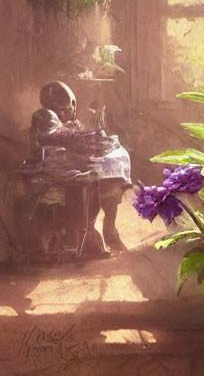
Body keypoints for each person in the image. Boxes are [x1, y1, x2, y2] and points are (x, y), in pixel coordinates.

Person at [25, 81, 131, 256]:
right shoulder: (45, 115)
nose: (68, 113)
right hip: (50, 167)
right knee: (95, 179)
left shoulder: (60, 120)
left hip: (58, 165)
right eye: (65, 109)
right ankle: (92, 234)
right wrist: (86, 137)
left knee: (103, 179)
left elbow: (67, 138)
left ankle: (98, 232)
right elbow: (53, 137)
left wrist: (87, 137)